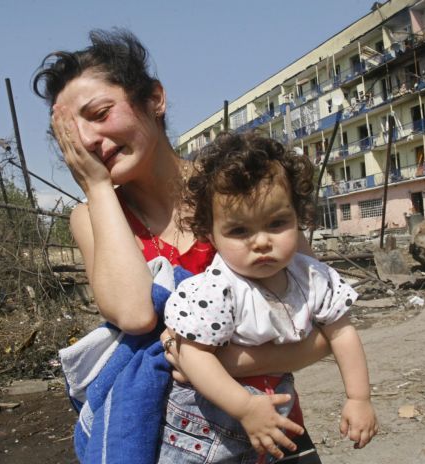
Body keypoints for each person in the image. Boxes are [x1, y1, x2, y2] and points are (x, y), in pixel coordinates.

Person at [33, 29, 333, 463]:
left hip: (275, 434)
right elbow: (135, 315)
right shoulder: (93, 216)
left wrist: (219, 365)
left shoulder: (239, 191)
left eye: (99, 113)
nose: (91, 141)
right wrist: (97, 188)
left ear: (155, 99)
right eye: (72, 134)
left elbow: (326, 329)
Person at [158, 132, 378, 463]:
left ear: (298, 217)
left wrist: (358, 398)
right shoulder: (216, 288)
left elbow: (342, 332)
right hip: (206, 427)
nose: (261, 242)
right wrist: (244, 407)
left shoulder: (312, 278)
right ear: (211, 234)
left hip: (271, 416)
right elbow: (192, 356)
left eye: (277, 223)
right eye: (239, 231)